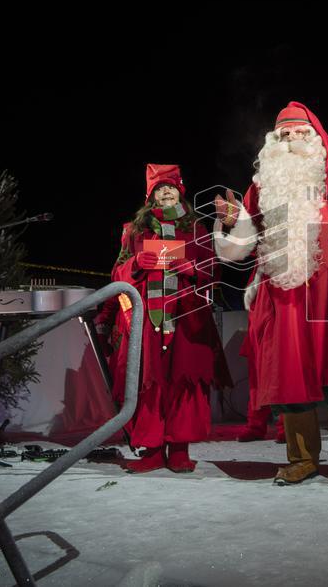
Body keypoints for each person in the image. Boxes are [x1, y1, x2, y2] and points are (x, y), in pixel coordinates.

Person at [214, 102, 328, 488]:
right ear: (274, 143)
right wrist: (230, 222)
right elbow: (243, 239)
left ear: (316, 136)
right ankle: (302, 459)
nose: (292, 140)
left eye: (299, 133)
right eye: (284, 135)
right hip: (284, 292)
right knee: (290, 380)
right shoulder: (263, 184)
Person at [105, 164, 227, 473]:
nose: (166, 192)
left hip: (187, 315)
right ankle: (152, 450)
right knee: (148, 380)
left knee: (184, 379)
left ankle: (180, 449)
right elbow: (117, 273)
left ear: (180, 191)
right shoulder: (133, 231)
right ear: (151, 196)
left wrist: (193, 270)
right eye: (160, 188)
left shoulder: (196, 228)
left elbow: (214, 271)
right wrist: (135, 264)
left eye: (170, 187)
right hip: (147, 317)